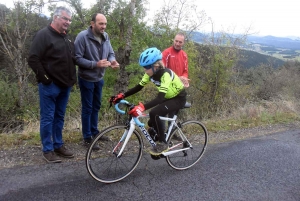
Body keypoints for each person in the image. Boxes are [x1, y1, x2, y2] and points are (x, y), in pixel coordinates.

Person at [110, 47, 187, 155]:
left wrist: (142, 107)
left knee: (154, 113)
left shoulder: (166, 74)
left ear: (155, 66)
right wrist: (122, 95)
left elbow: (160, 98)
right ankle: (160, 136)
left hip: (178, 98)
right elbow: (138, 87)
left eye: (146, 67)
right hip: (167, 98)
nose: (144, 70)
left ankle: (163, 143)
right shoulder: (149, 74)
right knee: (152, 121)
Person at [28, 6, 77, 163]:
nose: (67, 22)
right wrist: (45, 79)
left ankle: (58, 145)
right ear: (55, 17)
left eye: (69, 20)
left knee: (59, 117)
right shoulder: (44, 35)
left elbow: (72, 58)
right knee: (48, 117)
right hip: (50, 86)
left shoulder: (65, 38)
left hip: (65, 85)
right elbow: (33, 58)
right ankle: (47, 150)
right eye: (65, 19)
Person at [74, 13, 119, 149]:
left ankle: (95, 132)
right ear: (92, 23)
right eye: (101, 24)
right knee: (87, 108)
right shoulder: (83, 37)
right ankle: (87, 138)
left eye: (105, 24)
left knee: (96, 106)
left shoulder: (105, 37)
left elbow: (110, 53)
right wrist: (95, 64)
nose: (103, 26)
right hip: (86, 78)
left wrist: (112, 61)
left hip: (99, 78)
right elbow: (76, 58)